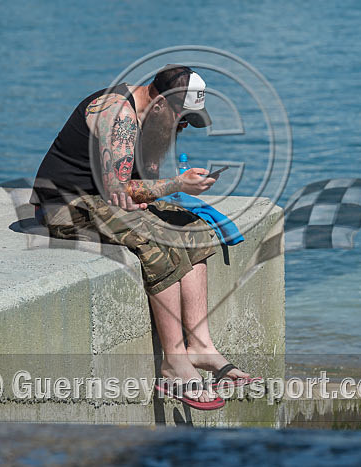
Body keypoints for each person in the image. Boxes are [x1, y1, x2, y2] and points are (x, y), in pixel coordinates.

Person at [30, 65, 254, 409]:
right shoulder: (117, 114)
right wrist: (179, 184)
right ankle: (174, 364)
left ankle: (201, 347)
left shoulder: (155, 118)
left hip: (105, 200)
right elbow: (120, 192)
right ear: (161, 102)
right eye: (181, 117)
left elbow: (145, 187)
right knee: (151, 241)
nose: (182, 126)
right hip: (65, 204)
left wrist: (172, 186)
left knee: (194, 228)